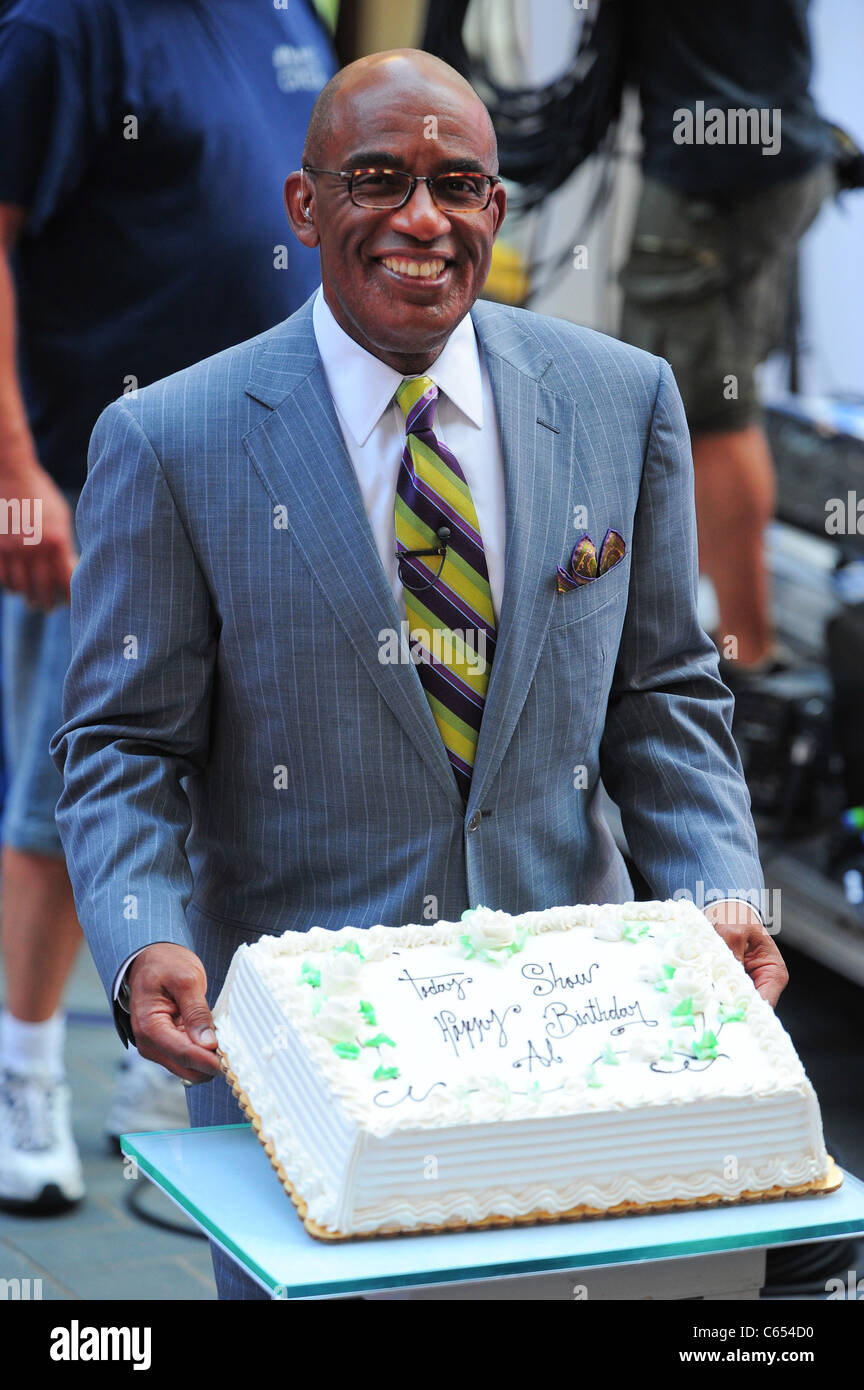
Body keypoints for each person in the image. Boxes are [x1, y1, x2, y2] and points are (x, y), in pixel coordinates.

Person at [50, 48, 785, 1299]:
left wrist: (721, 887)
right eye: (377, 179)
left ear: (495, 211)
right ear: (305, 207)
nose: (421, 218)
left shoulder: (622, 400)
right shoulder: (172, 440)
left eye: (458, 184)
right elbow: (123, 746)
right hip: (299, 1078)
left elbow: (664, 695)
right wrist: (137, 944)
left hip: (576, 1046)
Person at [0, 0, 335, 1214]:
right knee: (67, 785)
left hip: (275, 475)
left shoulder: (287, 11)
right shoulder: (63, 26)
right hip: (105, 476)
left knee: (246, 778)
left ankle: (174, 1090)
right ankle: (23, 1075)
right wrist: (13, 469)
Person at [619, 0, 835, 674]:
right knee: (716, 406)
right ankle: (742, 650)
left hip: (718, 174)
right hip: (762, 150)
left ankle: (748, 664)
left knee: (705, 420)